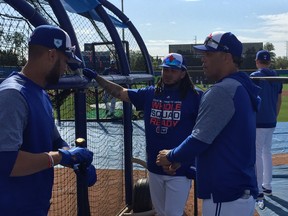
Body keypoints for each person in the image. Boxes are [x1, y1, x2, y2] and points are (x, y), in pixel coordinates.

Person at [83, 53, 202, 216]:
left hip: (178, 168)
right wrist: (97, 77)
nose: (168, 74)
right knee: (161, 213)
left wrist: (191, 161)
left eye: (173, 70)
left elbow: (203, 132)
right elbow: (119, 92)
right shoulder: (150, 93)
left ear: (183, 73)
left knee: (173, 213)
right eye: (165, 69)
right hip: (154, 166)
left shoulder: (195, 96)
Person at [156, 32, 261, 216]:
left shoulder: (222, 90)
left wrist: (171, 155)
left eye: (209, 54)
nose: (203, 59)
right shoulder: (240, 86)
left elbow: (199, 140)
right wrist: (182, 160)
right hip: (237, 191)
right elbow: (220, 141)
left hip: (225, 195)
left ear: (227, 57)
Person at [0, 25, 96, 216]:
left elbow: (53, 140)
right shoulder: (13, 94)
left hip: (33, 206)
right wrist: (60, 157)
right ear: (52, 55)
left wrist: (74, 157)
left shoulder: (39, 92)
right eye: (64, 61)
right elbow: (6, 162)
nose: (64, 68)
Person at [250, 50, 282, 209]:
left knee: (257, 154)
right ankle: (267, 186)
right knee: (266, 153)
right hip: (270, 120)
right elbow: (279, 100)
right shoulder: (276, 76)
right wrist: (274, 117)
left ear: (257, 61)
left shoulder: (255, 76)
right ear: (269, 62)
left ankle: (258, 190)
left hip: (258, 121)